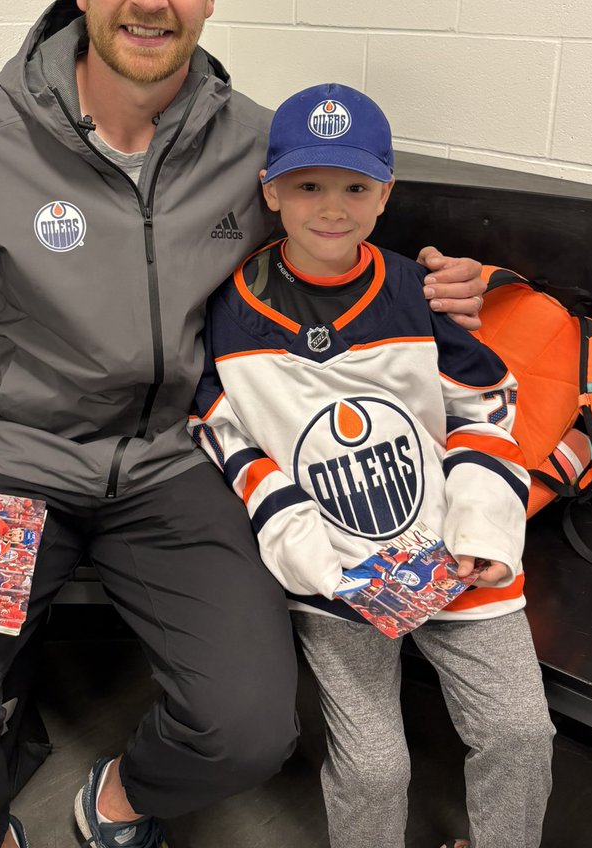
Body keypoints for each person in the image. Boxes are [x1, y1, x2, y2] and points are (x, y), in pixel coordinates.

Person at [0, 0, 487, 848]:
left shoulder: (259, 145)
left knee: (247, 727)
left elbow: (335, 244)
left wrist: (434, 284)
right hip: (11, 466)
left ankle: (117, 801)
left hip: (182, 468)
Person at [189, 83, 555, 848]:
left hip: (451, 553)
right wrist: (316, 561)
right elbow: (232, 441)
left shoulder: (416, 293)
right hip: (337, 573)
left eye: (356, 186)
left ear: (385, 195)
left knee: (522, 731)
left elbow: (484, 408)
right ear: (272, 191)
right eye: (309, 185)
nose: (333, 206)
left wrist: (482, 530)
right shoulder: (229, 309)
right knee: (374, 772)